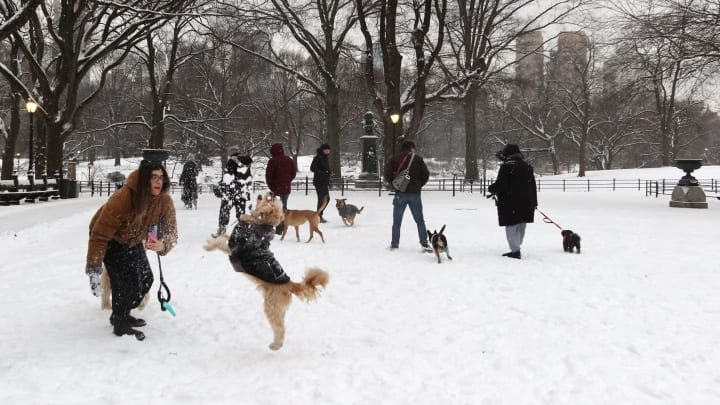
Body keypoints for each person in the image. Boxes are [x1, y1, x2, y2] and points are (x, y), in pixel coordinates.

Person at [85, 157, 177, 340]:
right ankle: (120, 322)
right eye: (154, 177)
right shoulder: (123, 198)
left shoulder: (164, 201)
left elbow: (171, 232)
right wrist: (94, 270)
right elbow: (99, 235)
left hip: (134, 240)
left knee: (145, 279)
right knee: (125, 284)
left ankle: (123, 312)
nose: (159, 181)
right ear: (144, 180)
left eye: (161, 177)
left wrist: (163, 244)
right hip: (111, 240)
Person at [487, 143, 538, 259]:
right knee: (521, 224)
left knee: (511, 226)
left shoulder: (507, 167)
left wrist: (492, 188)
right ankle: (517, 246)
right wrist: (534, 202)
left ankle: (515, 251)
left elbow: (502, 184)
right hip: (526, 201)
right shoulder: (527, 166)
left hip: (511, 202)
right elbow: (533, 186)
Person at [383, 140, 431, 251]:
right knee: (419, 220)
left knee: (397, 221)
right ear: (412, 148)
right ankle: (424, 242)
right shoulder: (418, 159)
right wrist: (418, 185)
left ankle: (395, 244)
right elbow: (426, 175)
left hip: (401, 193)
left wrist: (395, 184)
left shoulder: (395, 158)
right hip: (415, 194)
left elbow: (387, 173)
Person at [213, 153, 253, 237]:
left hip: (229, 193)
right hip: (242, 193)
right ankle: (242, 231)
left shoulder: (231, 162)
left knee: (224, 212)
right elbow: (248, 179)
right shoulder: (246, 163)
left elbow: (227, 177)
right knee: (241, 213)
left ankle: (222, 230)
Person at [265, 143, 296, 234]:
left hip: (276, 189)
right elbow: (293, 173)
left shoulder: (272, 161)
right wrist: (287, 180)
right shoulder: (288, 160)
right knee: (284, 207)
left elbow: (269, 176)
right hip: (286, 188)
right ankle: (283, 226)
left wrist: (271, 186)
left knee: (276, 208)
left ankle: (278, 227)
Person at [310, 143, 332, 222]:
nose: (327, 151)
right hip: (319, 182)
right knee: (321, 199)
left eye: (328, 150)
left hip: (325, 182)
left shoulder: (325, 158)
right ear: (322, 150)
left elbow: (325, 169)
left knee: (327, 199)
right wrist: (324, 173)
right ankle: (318, 216)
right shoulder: (318, 158)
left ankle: (319, 214)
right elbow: (312, 168)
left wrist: (329, 173)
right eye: (326, 150)